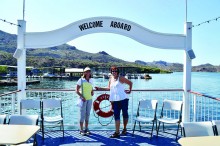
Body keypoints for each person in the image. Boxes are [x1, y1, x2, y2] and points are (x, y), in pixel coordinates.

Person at [95, 66, 132, 138]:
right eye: (112, 71)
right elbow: (109, 88)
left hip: (123, 99)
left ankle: (124, 129)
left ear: (117, 72)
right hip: (115, 101)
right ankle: (117, 132)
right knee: (116, 116)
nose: (114, 72)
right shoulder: (110, 79)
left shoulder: (121, 78)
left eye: (115, 71)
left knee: (125, 114)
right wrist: (99, 88)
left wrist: (129, 90)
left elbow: (130, 83)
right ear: (111, 72)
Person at [76, 67, 94, 136]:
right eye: (86, 71)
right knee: (82, 115)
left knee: (88, 114)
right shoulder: (81, 80)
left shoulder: (91, 80)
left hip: (89, 99)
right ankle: (81, 129)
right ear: (84, 72)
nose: (88, 73)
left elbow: (91, 88)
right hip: (83, 100)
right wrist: (82, 97)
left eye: (89, 71)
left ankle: (86, 128)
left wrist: (92, 91)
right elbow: (77, 91)